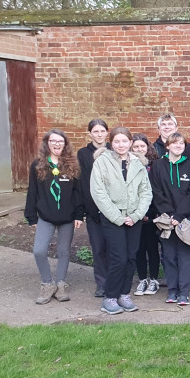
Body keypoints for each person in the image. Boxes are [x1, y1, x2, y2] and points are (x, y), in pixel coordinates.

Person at [91, 127, 153, 315]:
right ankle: (110, 297)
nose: (121, 145)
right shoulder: (102, 162)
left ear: (130, 143)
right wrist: (117, 217)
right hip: (112, 218)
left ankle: (124, 294)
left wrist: (135, 215)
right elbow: (98, 192)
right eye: (117, 141)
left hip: (134, 218)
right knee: (118, 258)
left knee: (131, 257)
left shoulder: (138, 164)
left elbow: (146, 192)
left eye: (124, 141)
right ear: (111, 142)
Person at [25, 130, 83, 304]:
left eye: (60, 141)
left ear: (65, 144)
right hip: (45, 216)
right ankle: (47, 283)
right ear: (47, 143)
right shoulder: (38, 165)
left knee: (64, 251)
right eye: (53, 141)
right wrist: (31, 217)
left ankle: (60, 284)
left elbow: (77, 193)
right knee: (39, 250)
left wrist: (79, 214)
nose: (57, 144)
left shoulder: (72, 164)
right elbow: (32, 191)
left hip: (68, 216)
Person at [149, 132, 190, 305]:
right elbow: (156, 192)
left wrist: (179, 215)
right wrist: (170, 215)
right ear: (168, 146)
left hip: (185, 218)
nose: (179, 146)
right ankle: (172, 290)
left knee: (185, 255)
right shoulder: (158, 166)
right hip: (165, 218)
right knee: (169, 255)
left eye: (182, 144)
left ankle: (184, 292)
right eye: (175, 143)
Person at [78, 118, 110, 297]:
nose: (99, 134)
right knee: (98, 248)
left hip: (113, 209)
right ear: (90, 133)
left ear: (107, 132)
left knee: (113, 248)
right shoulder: (83, 154)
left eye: (102, 131)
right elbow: (83, 182)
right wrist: (87, 209)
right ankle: (102, 283)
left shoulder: (114, 150)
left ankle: (114, 281)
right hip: (93, 209)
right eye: (95, 131)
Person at [131, 134, 161, 297]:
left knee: (152, 247)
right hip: (135, 215)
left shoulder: (155, 166)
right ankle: (142, 279)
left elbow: (157, 191)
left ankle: (154, 279)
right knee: (139, 249)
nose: (139, 149)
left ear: (148, 147)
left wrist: (149, 214)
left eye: (142, 146)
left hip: (151, 214)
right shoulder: (128, 165)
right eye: (135, 147)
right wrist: (137, 213)